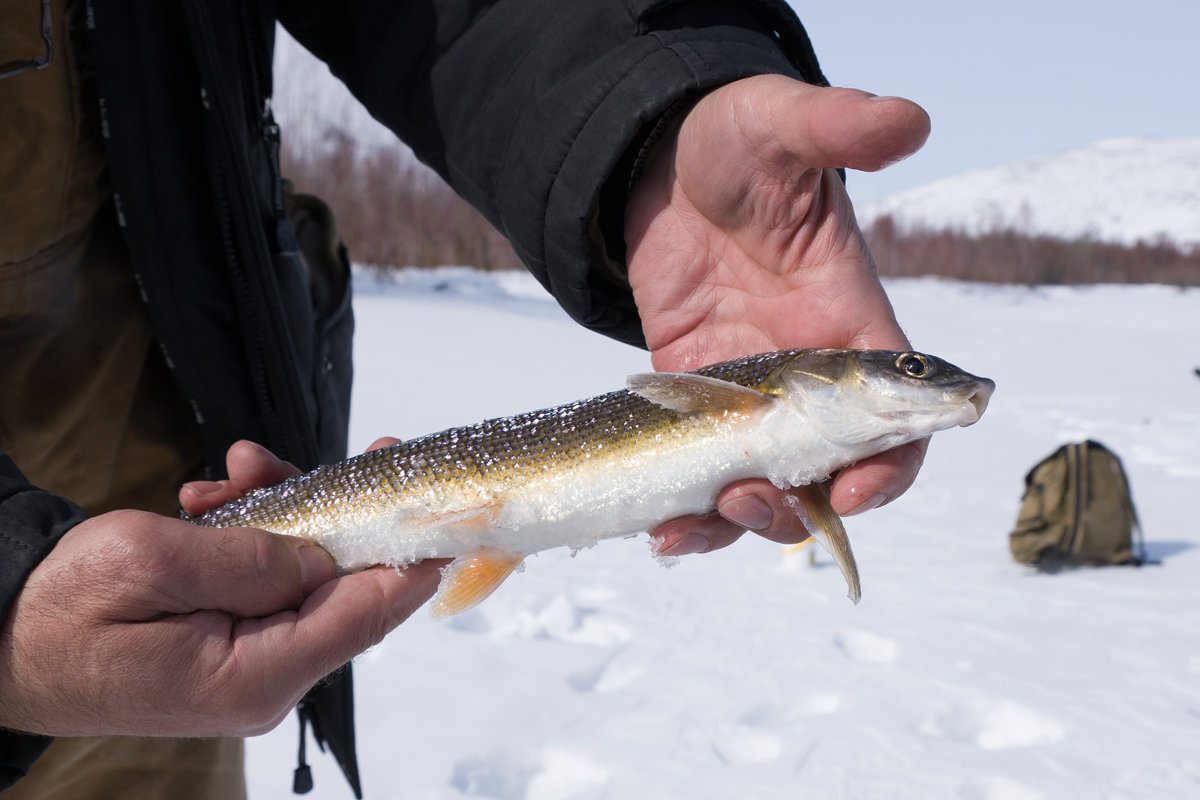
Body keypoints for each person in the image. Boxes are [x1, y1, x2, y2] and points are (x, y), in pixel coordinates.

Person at [0, 0, 930, 797]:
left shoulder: (758, 403)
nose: (919, 379)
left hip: (165, 466)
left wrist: (649, 111)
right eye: (914, 376)